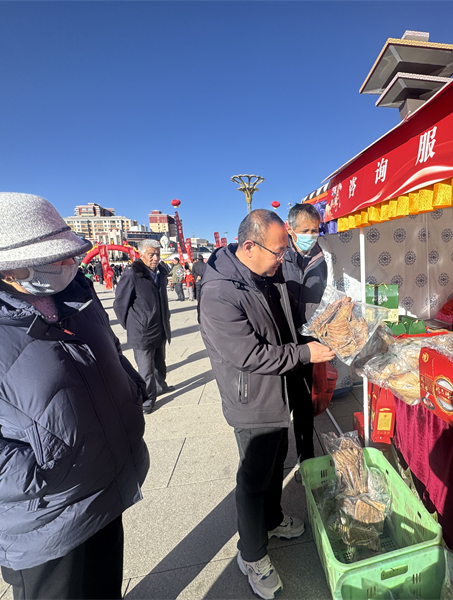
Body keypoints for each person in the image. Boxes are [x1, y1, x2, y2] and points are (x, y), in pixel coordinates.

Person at [0, 192, 149, 600]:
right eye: (54, 258)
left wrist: (131, 387)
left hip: (104, 485)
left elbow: (109, 349)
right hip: (43, 518)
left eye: (70, 253)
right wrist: (42, 472)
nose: (69, 263)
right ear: (6, 265)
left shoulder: (74, 291)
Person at [199, 209, 335, 599]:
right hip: (251, 397)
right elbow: (249, 355)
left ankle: (272, 519)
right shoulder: (219, 292)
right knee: (254, 477)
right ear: (249, 246)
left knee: (276, 461)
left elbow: (288, 321)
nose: (283, 258)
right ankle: (251, 553)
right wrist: (306, 354)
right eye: (279, 251)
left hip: (279, 388)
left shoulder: (265, 272)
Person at [281, 203, 328, 465]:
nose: (311, 235)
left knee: (303, 405)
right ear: (290, 230)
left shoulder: (321, 258)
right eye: (305, 230)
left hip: (309, 343)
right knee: (279, 408)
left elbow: (321, 298)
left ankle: (306, 460)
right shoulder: (279, 254)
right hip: (282, 343)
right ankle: (276, 461)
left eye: (315, 230)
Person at [114, 239, 172, 414]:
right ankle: (147, 399)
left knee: (160, 363)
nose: (155, 258)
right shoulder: (132, 274)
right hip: (142, 330)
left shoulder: (161, 273)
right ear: (141, 254)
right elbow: (120, 304)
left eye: (157, 254)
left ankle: (160, 386)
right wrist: (132, 324)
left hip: (160, 326)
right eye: (151, 254)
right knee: (146, 369)